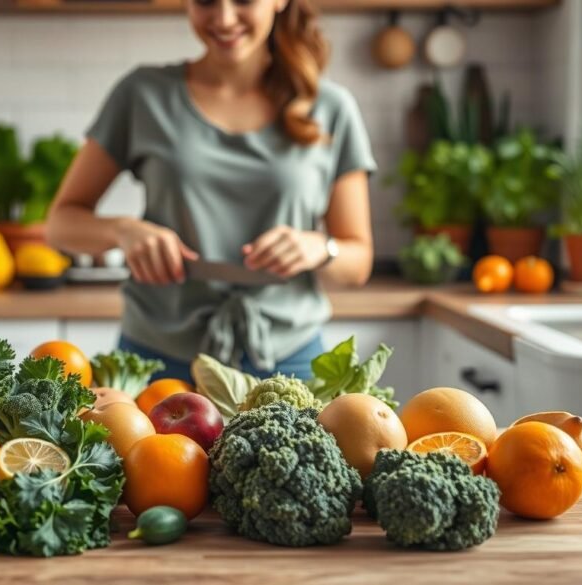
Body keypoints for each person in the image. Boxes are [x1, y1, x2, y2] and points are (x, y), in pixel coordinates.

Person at [46, 0, 376, 383]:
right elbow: (60, 224)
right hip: (159, 358)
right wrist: (123, 230)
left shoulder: (331, 108)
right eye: (205, 1)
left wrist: (320, 247)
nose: (223, 18)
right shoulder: (142, 94)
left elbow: (358, 260)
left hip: (289, 359)